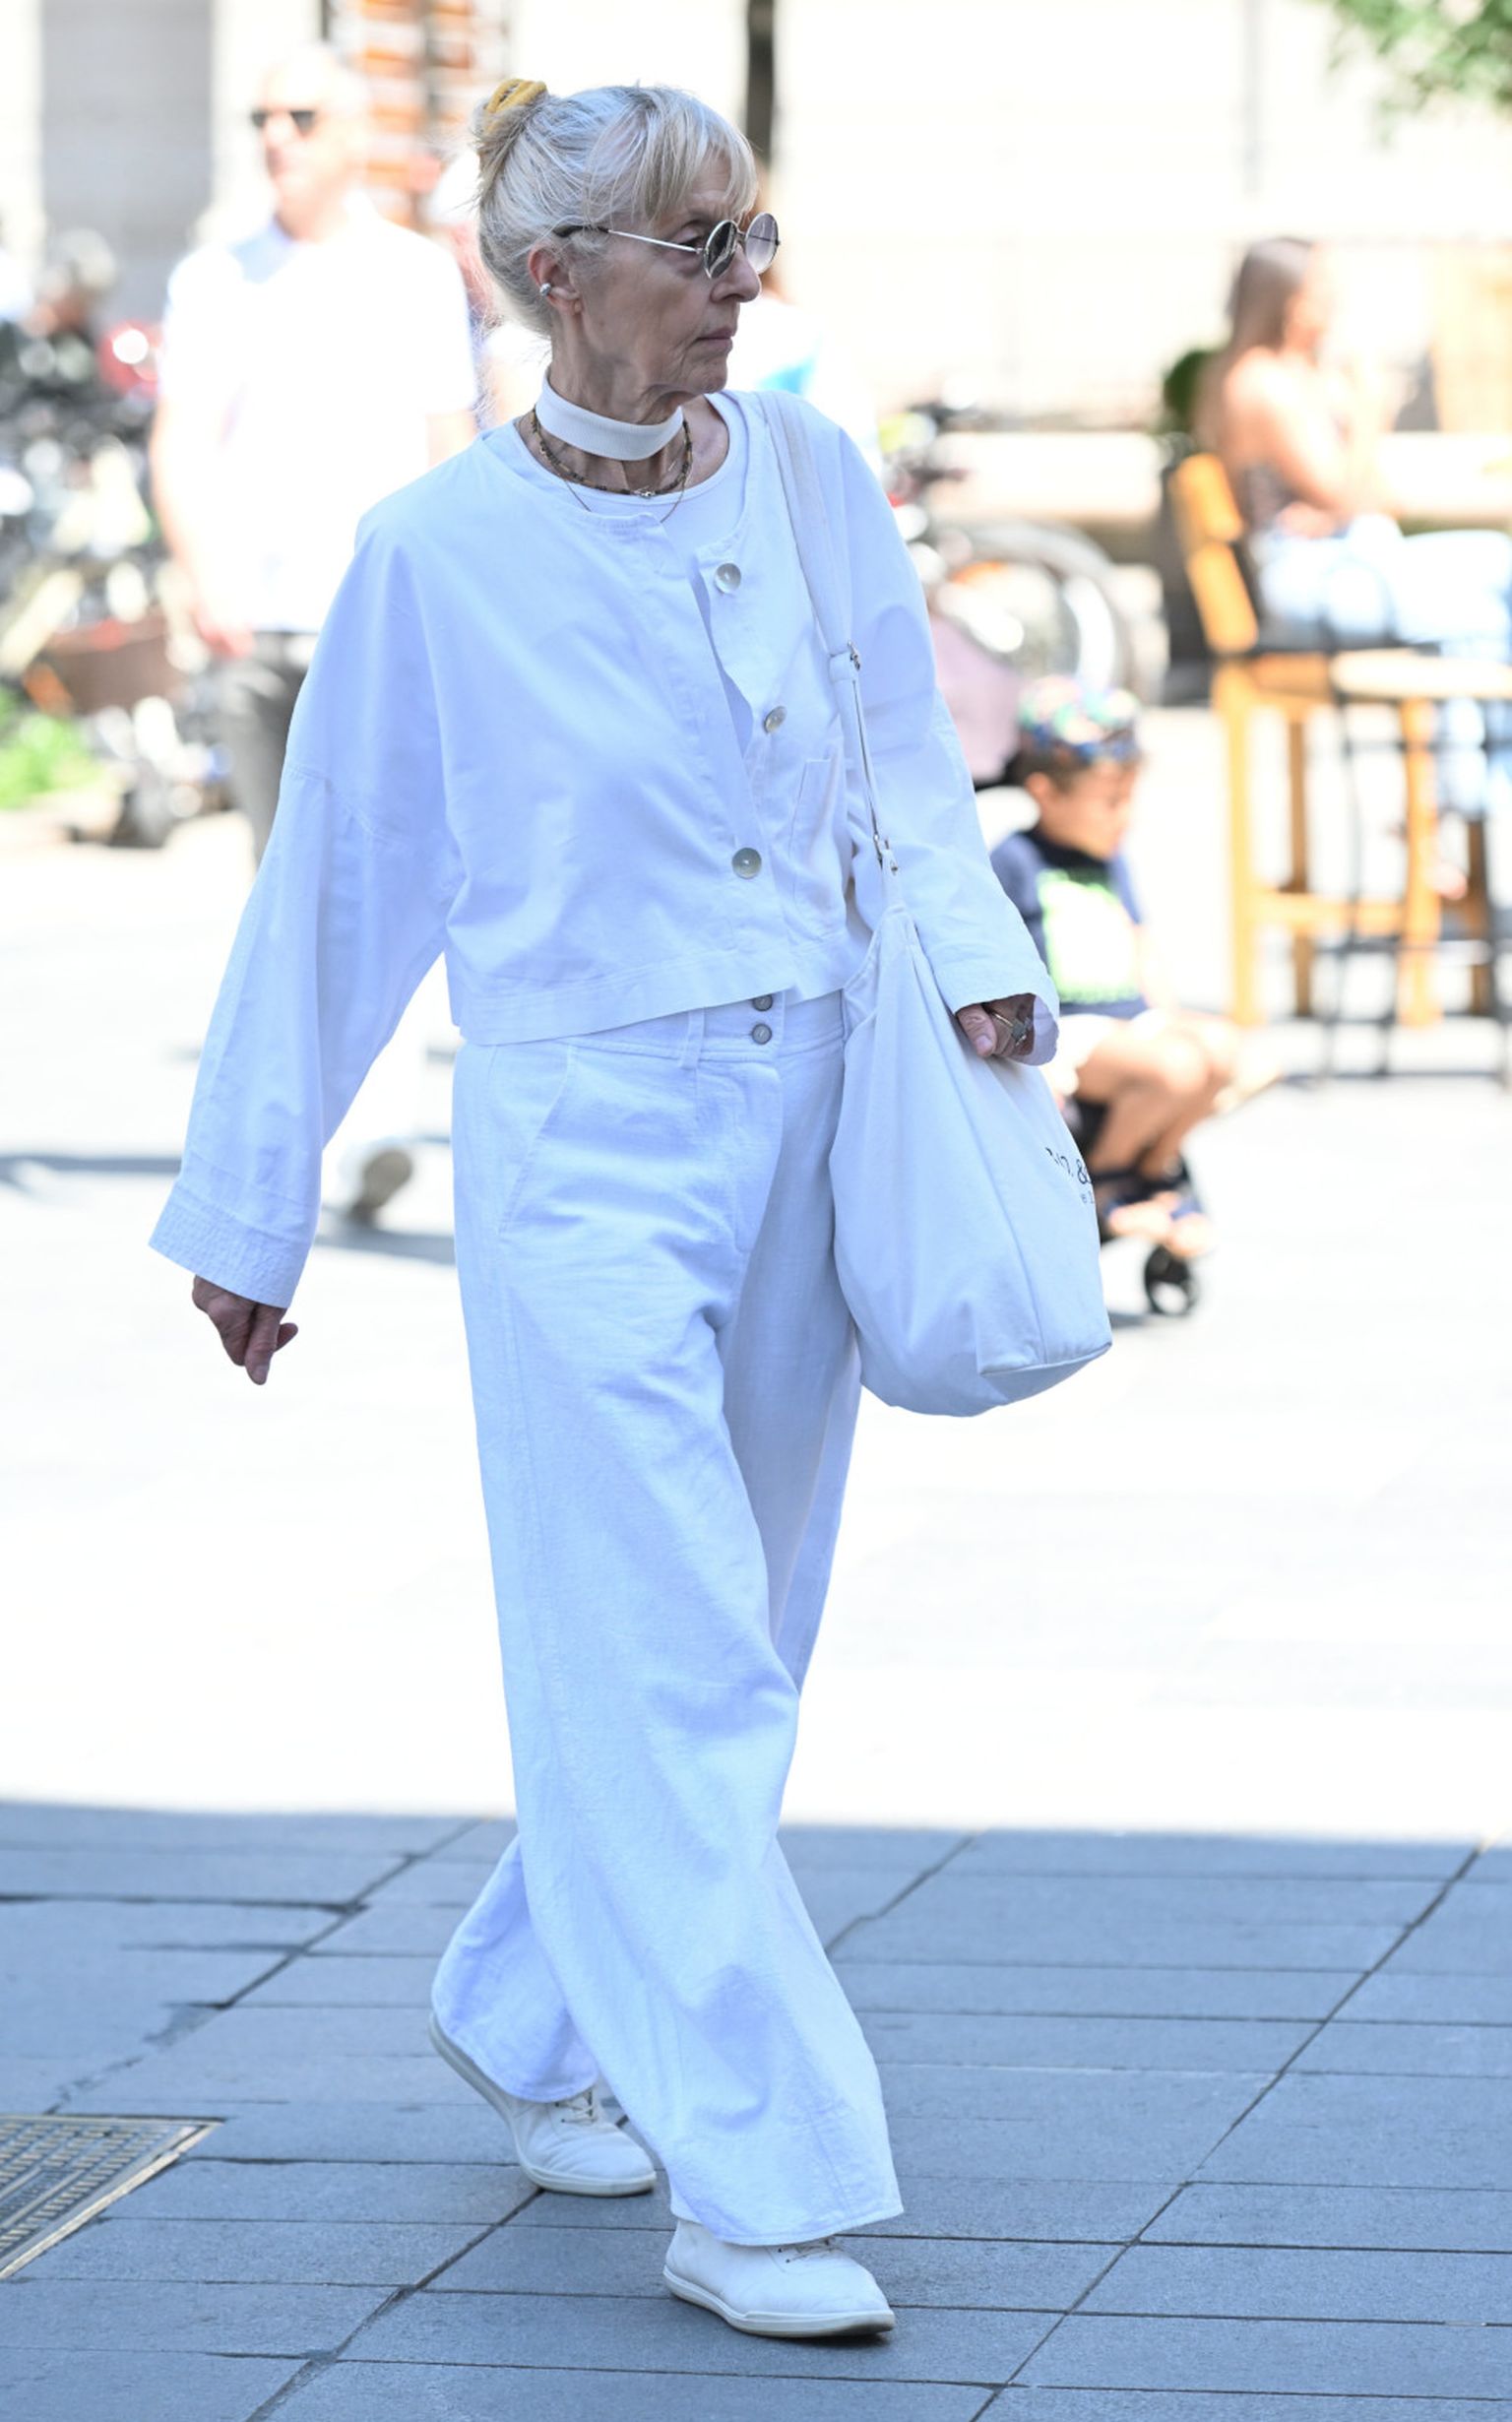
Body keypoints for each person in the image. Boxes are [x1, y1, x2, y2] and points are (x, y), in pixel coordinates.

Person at [148, 76, 1056, 2341]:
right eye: (697, 246)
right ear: (555, 276)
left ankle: (533, 2005)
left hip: (815, 1104)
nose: (747, 283)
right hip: (581, 1137)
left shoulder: (813, 475)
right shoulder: (431, 555)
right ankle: (759, 2177)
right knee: (667, 1650)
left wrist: (980, 971)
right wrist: (254, 1203)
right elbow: (342, 880)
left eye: (752, 237)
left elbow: (903, 753)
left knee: (736, 1633)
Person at [150, 41, 477, 1218]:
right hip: (255, 633)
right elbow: (180, 441)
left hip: (375, 629)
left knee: (386, 877)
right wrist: (204, 575)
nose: (275, 136)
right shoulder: (215, 277)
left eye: (299, 115)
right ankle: (298, 1137)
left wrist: (447, 609)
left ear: (353, 133)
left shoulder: (413, 276)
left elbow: (449, 449)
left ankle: (372, 1129)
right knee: (284, 893)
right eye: (261, 118)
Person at [1203, 236, 1512, 821]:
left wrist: (1344, 500)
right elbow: (1346, 492)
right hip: (1312, 577)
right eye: (1321, 286)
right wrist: (1369, 413)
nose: (1336, 299)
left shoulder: (1307, 375)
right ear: (1287, 298)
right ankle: (1466, 800)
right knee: (1475, 614)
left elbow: (1374, 497)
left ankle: (1469, 797)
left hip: (1352, 556)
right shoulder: (1261, 382)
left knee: (1498, 562)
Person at [992, 679, 1276, 1256]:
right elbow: (998, 956)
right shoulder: (1016, 861)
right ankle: (1106, 1175)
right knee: (1174, 1069)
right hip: (1071, 1031)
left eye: (1130, 797)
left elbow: (1138, 940)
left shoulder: (1110, 861)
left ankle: (1153, 1167)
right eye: (1111, 800)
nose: (1126, 815)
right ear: (1047, 793)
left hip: (1128, 1024)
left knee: (1230, 1052)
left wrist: (1168, 1016)